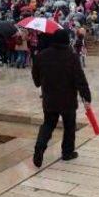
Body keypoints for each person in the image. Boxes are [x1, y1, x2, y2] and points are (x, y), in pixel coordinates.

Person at [31, 29, 91, 167]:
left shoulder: (42, 55)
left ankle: (40, 146)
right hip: (68, 99)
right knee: (69, 126)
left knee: (48, 124)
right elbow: (80, 79)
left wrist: (39, 82)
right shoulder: (72, 56)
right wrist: (86, 97)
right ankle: (67, 152)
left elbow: (36, 76)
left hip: (49, 98)